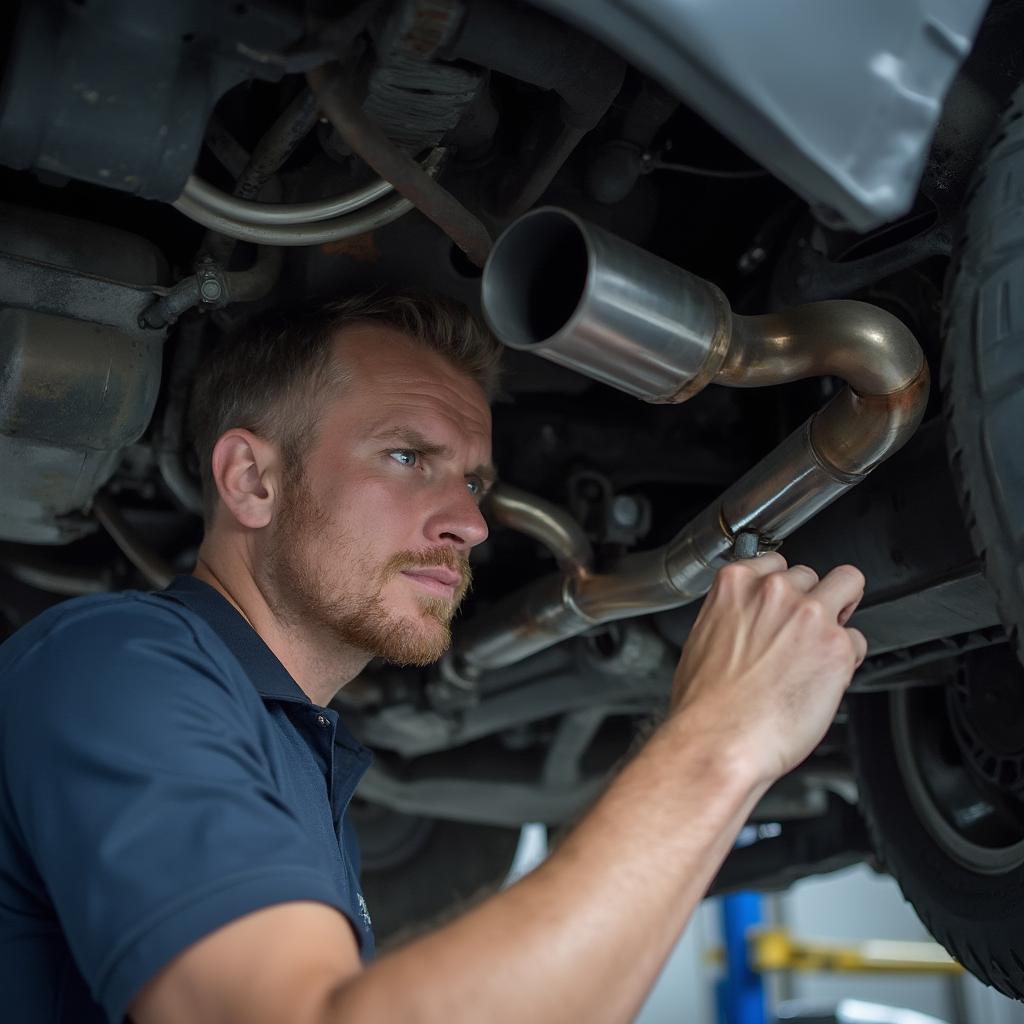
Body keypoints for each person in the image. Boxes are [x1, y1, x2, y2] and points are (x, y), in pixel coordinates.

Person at [0, 291, 867, 1024]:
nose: (472, 522)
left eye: (475, 481)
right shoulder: (115, 666)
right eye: (408, 455)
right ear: (252, 481)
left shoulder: (292, 748)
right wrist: (721, 743)